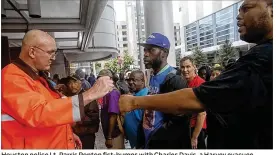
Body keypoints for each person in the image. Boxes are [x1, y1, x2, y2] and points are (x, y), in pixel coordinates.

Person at [119, 0, 273, 149]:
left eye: (246, 8)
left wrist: (135, 102)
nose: (238, 16)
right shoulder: (152, 77)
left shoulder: (263, 58)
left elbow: (197, 100)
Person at [1, 30, 114, 149]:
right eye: (50, 53)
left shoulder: (36, 78)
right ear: (32, 52)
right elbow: (40, 113)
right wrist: (89, 94)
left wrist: (67, 133)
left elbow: (52, 113)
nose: (53, 58)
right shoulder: (11, 78)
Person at [136, 32, 190, 149]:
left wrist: (156, 138)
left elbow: (180, 120)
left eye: (151, 50)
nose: (145, 54)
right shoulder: (153, 75)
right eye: (145, 50)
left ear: (164, 53)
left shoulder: (175, 79)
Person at [65, 75, 100, 149]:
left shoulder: (88, 97)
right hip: (74, 134)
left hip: (86, 134)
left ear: (80, 83)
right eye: (69, 83)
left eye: (74, 82)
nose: (72, 85)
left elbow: (93, 117)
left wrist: (76, 122)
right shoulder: (69, 97)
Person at [180, 57, 207, 149]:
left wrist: (195, 137)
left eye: (188, 66)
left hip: (196, 130)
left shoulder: (200, 84)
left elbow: (202, 113)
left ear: (194, 67)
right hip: (187, 128)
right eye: (182, 67)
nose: (185, 70)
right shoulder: (184, 83)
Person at [98, 69, 125, 149]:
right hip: (111, 134)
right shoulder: (107, 92)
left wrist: (109, 137)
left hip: (114, 134)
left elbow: (113, 116)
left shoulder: (113, 93)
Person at [123, 70, 149, 149]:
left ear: (142, 81)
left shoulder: (146, 96)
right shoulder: (135, 95)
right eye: (129, 80)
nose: (130, 82)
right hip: (134, 143)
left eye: (134, 80)